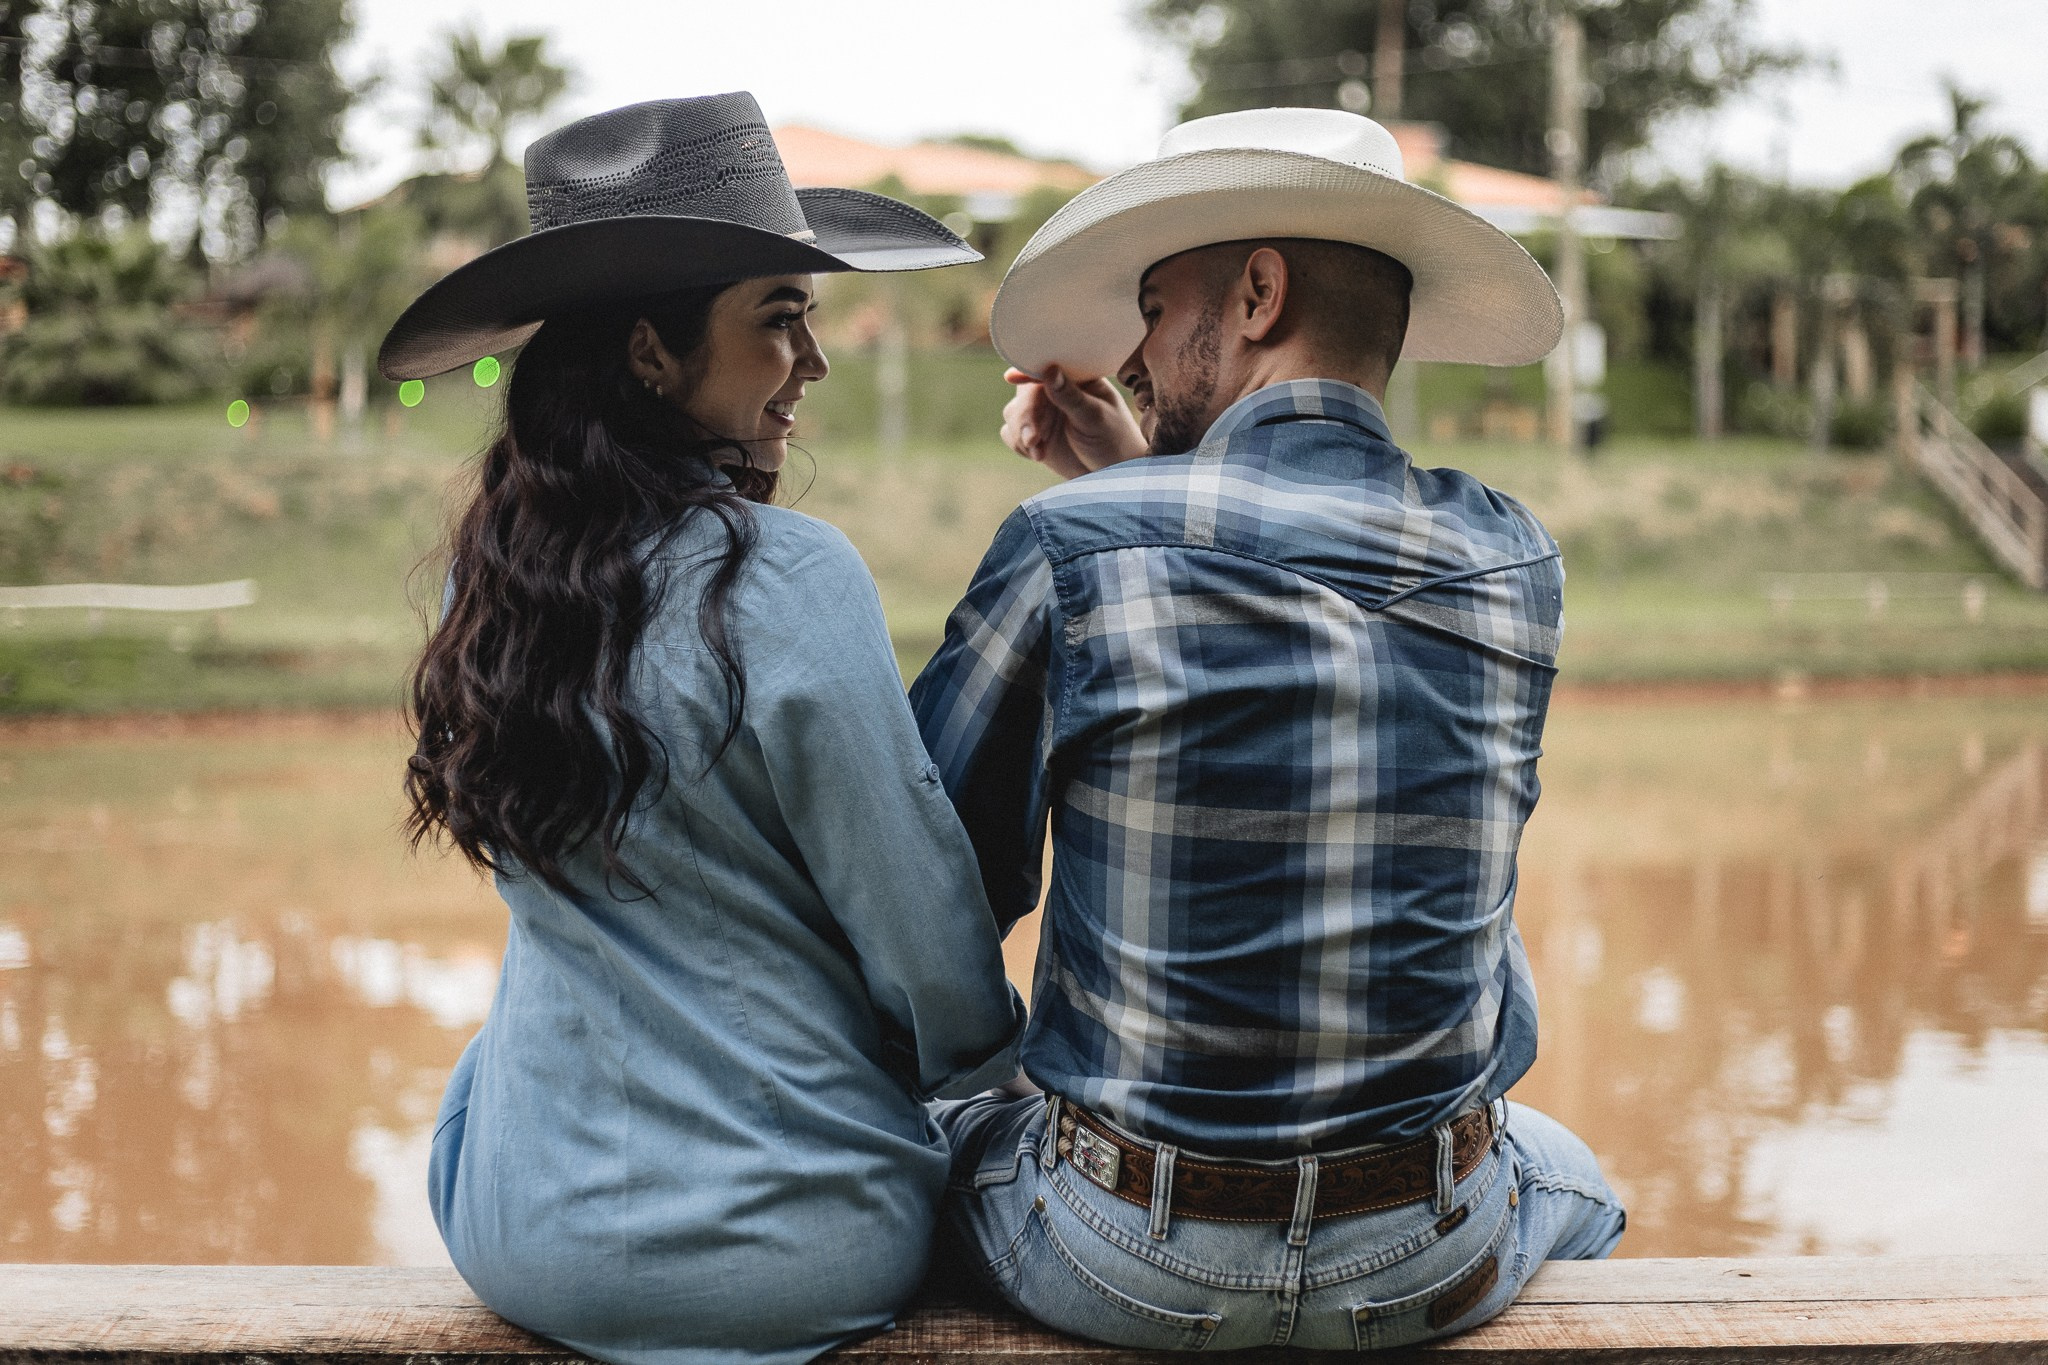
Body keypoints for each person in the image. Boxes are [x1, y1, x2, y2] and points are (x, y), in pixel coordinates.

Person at [910, 107, 1624, 1352]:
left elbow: (928, 898)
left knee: (923, 1138)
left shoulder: (1073, 548)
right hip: (1426, 1248)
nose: (1133, 358)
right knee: (1581, 1183)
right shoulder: (1513, 560)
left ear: (1255, 293)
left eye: (1151, 310)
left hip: (1121, 1249)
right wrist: (1130, 481)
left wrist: (1117, 498)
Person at [380, 93, 1025, 1365]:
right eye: (779, 318)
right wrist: (988, 1067)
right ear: (648, 353)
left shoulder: (487, 585)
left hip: (525, 1236)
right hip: (799, 1251)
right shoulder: (791, 577)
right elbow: (923, 945)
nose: (813, 362)